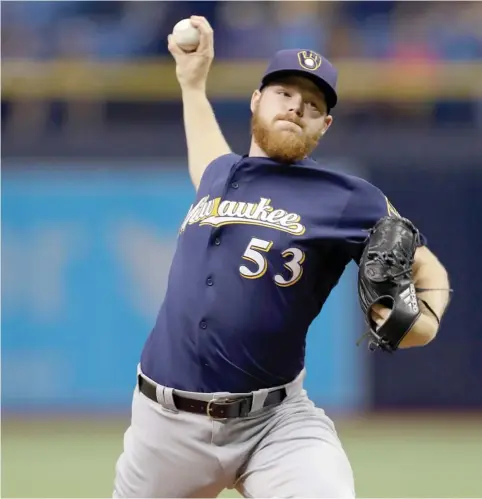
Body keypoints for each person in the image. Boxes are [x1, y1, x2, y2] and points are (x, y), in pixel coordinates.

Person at [113, 16, 451, 499]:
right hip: (164, 427)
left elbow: (427, 266)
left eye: (312, 104)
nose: (297, 107)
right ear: (256, 100)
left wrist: (426, 319)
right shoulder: (221, 175)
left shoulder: (348, 198)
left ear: (324, 125)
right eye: (284, 94)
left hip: (274, 424)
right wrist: (192, 85)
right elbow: (206, 157)